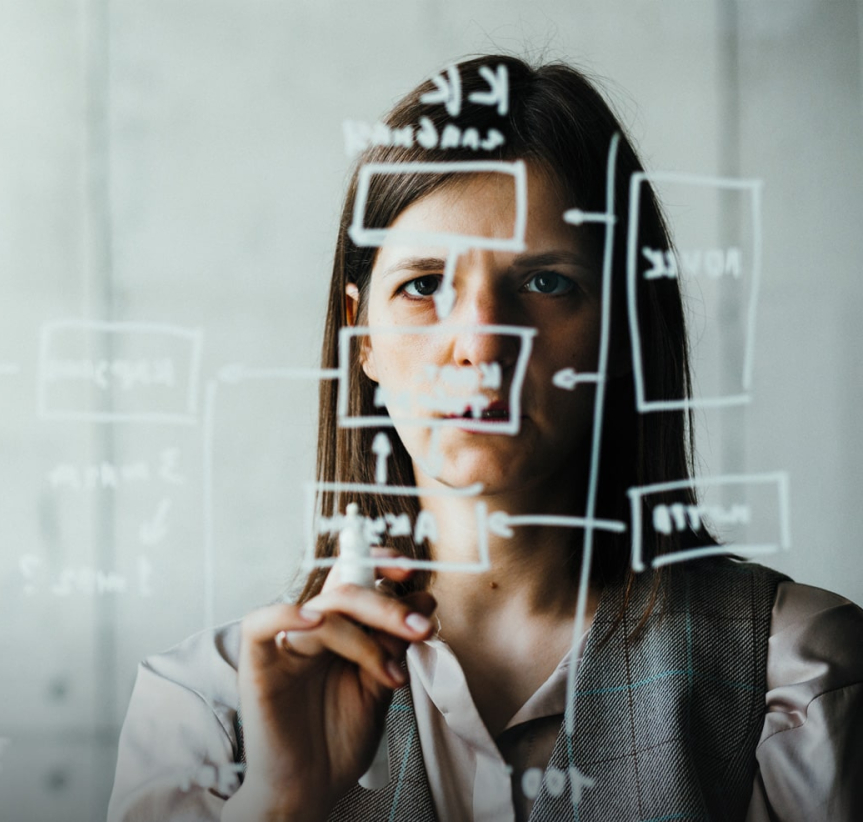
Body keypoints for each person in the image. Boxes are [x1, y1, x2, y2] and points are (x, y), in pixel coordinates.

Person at [106, 55, 863, 822]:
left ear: (624, 330)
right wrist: (276, 802)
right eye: (424, 285)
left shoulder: (799, 678)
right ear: (359, 334)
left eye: (545, 283)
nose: (481, 343)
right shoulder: (203, 706)